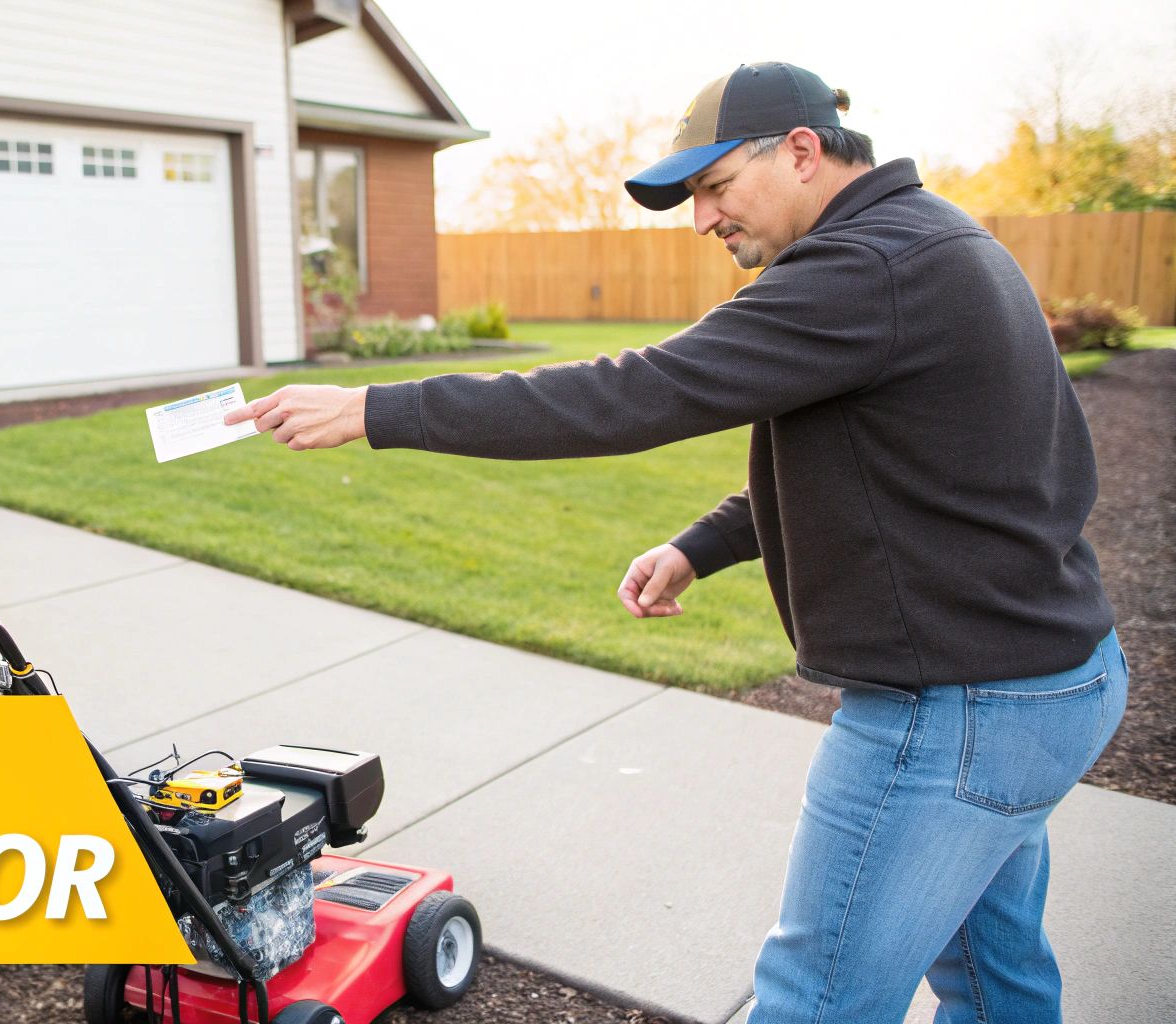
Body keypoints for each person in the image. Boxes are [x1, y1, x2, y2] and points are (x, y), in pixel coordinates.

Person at [226, 62, 1125, 1024]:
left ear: (802, 151)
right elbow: (891, 465)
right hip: (1051, 680)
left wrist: (377, 407)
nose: (702, 219)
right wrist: (701, 545)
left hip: (957, 712)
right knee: (995, 979)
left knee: (813, 1001)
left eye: (715, 186)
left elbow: (636, 392)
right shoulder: (939, 239)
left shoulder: (865, 269)